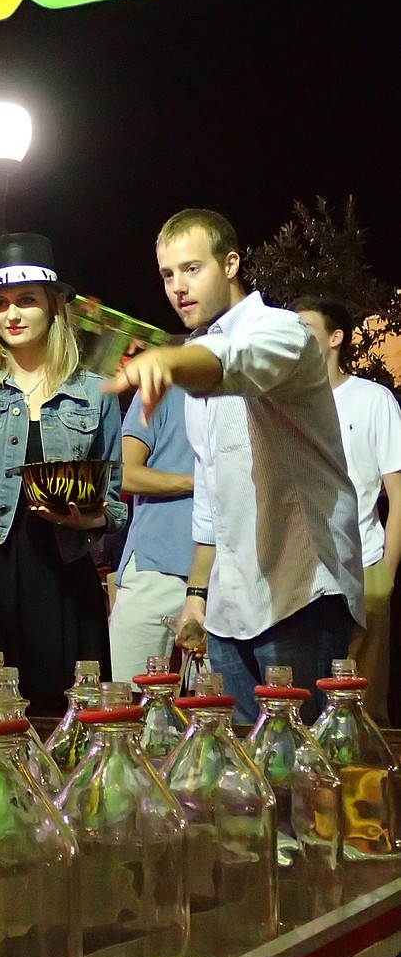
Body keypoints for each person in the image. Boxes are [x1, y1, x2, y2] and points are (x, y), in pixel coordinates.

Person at [105, 209, 364, 725]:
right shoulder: (196, 354)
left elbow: (236, 360)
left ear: (230, 264)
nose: (178, 287)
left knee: (300, 761)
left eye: (192, 268)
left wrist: (169, 360)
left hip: (300, 592)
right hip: (227, 607)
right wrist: (197, 595)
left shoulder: (282, 330)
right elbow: (211, 494)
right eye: (167, 274)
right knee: (237, 762)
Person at [0, 232, 125, 717]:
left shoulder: (96, 393)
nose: (11, 314)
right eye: (0, 303)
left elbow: (114, 506)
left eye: (26, 300)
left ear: (54, 307)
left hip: (63, 576)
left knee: (66, 722)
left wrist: (85, 519)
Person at [291, 296, 401, 726]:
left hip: (362, 567)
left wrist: (385, 574)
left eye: (306, 329)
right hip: (300, 574)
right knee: (305, 706)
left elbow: (397, 492)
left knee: (362, 709)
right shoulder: (286, 400)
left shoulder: (373, 400)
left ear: (335, 338)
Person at [109, 386, 194, 682]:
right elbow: (124, 473)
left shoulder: (250, 392)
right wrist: (199, 483)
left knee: (210, 703)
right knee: (127, 695)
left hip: (226, 577)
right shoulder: (164, 389)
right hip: (155, 568)